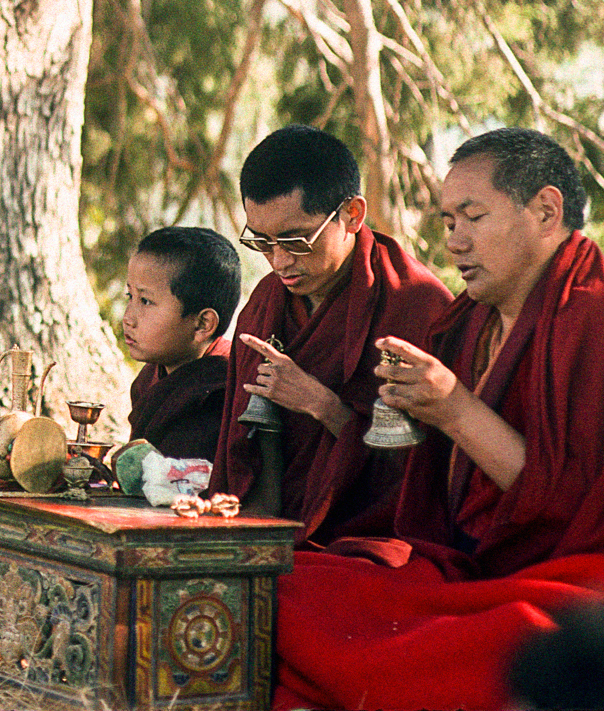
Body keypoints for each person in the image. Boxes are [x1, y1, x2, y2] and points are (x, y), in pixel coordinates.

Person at [271, 128, 604, 711]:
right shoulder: (466, 323)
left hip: (587, 580)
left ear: (545, 210)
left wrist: (455, 408)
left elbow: (589, 508)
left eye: (472, 217)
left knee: (510, 646)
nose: (455, 241)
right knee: (291, 582)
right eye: (447, 222)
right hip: (476, 568)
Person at [207, 125, 452, 544]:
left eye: (296, 240)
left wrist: (322, 405)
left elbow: (429, 476)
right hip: (276, 531)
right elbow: (246, 460)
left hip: (373, 537)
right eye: (262, 243)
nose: (279, 261)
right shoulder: (266, 303)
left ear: (352, 215)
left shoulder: (415, 304)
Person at [124, 226, 240, 461]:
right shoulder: (149, 379)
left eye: (146, 301)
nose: (128, 317)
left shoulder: (221, 392)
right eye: (130, 296)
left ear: (202, 324)